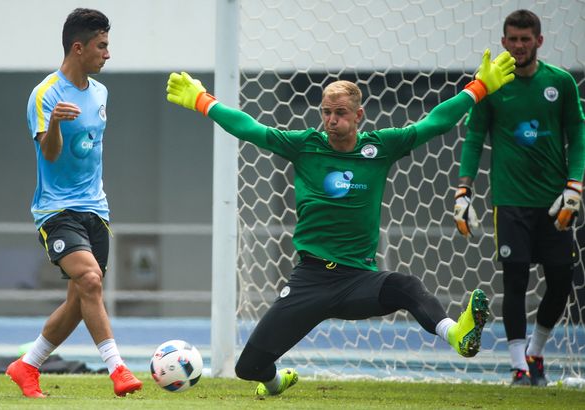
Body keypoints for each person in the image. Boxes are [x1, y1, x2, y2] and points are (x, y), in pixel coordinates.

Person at [166, 49, 514, 396]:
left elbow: (435, 122)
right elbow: (250, 129)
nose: (331, 120)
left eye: (340, 113)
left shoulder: (381, 147)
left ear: (359, 115)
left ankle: (457, 334)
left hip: (357, 281)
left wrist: (479, 87)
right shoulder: (305, 146)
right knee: (248, 368)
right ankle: (274, 384)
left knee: (407, 286)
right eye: (326, 113)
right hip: (311, 279)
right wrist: (202, 100)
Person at [5, 8, 142, 398]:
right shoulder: (45, 94)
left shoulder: (101, 93)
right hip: (56, 209)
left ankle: (26, 366)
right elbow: (49, 155)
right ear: (78, 48)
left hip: (96, 209)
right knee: (90, 280)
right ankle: (118, 370)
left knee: (82, 298)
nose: (108, 54)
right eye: (102, 46)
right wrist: (58, 125)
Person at [453, 9, 585, 386]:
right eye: (513, 38)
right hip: (509, 202)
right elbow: (474, 138)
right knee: (514, 281)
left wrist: (575, 185)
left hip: (555, 201)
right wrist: (463, 190)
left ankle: (536, 352)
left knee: (561, 280)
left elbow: (577, 135)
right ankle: (518, 367)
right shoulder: (492, 84)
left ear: (539, 41)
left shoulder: (560, 83)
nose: (519, 45)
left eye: (526, 39)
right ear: (503, 42)